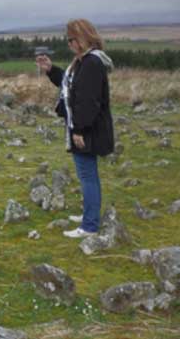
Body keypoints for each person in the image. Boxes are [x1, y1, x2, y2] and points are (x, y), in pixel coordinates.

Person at [35, 18, 115, 238]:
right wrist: (50, 69)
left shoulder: (91, 63)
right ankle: (89, 214)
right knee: (88, 175)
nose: (69, 43)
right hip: (86, 127)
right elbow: (70, 85)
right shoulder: (83, 62)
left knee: (87, 175)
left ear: (81, 38)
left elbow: (88, 101)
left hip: (87, 130)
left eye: (71, 39)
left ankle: (89, 226)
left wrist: (78, 130)